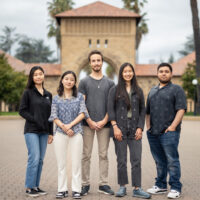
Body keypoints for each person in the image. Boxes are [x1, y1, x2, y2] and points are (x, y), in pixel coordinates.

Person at [108, 63, 151, 199]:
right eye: (125, 71)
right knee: (121, 160)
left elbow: (143, 109)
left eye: (130, 71)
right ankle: (122, 187)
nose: (127, 73)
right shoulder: (114, 90)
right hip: (119, 128)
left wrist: (140, 127)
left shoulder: (138, 90)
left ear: (133, 73)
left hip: (134, 128)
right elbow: (110, 109)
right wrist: (115, 127)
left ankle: (137, 188)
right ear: (121, 74)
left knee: (136, 159)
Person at [146, 63, 187, 199]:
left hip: (169, 132)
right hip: (153, 132)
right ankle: (161, 185)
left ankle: (175, 187)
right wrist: (148, 127)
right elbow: (148, 112)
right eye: (161, 71)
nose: (163, 73)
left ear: (171, 74)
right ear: (157, 74)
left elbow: (181, 109)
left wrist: (173, 127)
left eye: (166, 71)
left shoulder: (177, 89)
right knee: (159, 160)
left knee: (172, 160)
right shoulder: (152, 91)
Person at [78, 50, 115, 196]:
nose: (96, 63)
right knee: (86, 154)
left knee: (103, 154)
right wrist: (89, 120)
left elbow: (111, 105)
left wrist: (105, 120)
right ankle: (84, 184)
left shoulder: (110, 83)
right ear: (90, 63)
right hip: (87, 124)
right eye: (93, 61)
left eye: (98, 60)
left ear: (102, 62)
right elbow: (82, 103)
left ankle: (103, 184)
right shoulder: (84, 82)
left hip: (104, 124)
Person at [49, 71, 89, 199]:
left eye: (71, 79)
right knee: (61, 164)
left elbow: (83, 113)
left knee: (76, 163)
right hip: (60, 133)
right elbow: (54, 116)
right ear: (62, 80)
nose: (69, 81)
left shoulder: (79, 97)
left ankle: (76, 190)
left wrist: (70, 125)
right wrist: (64, 128)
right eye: (66, 79)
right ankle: (62, 189)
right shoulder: (56, 98)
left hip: (76, 133)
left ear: (74, 82)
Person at [19, 66, 53, 197]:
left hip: (44, 132)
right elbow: (22, 110)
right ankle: (29, 187)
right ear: (32, 77)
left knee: (40, 160)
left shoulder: (48, 95)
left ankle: (36, 186)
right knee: (34, 158)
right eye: (35, 75)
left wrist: (51, 133)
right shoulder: (28, 92)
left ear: (44, 76)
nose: (38, 76)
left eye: (40, 74)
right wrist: (35, 119)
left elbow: (51, 115)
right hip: (31, 130)